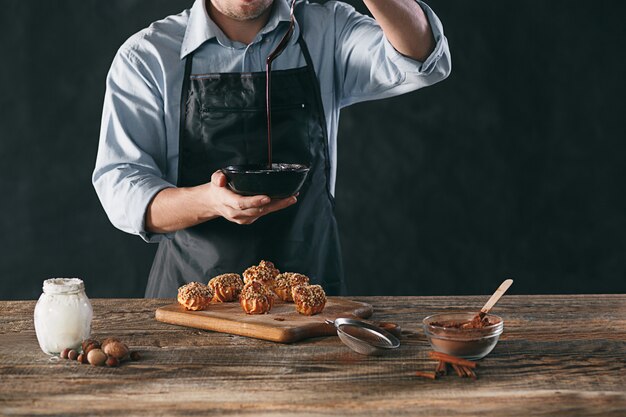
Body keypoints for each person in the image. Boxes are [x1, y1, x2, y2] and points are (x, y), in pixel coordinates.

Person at [93, 0, 451, 297]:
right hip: (194, 299)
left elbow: (421, 58)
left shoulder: (327, 30)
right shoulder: (148, 56)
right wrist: (209, 201)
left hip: (309, 296)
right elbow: (122, 187)